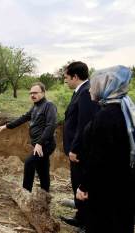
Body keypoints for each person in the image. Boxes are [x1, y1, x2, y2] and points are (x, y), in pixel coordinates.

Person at [76, 66, 135, 233]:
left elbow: (99, 158)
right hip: (124, 185)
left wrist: (84, 185)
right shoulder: (125, 110)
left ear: (106, 86)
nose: (90, 90)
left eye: (94, 85)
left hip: (106, 189)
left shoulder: (106, 116)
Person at [0, 82, 57, 192]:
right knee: (42, 169)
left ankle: (26, 192)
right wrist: (7, 126)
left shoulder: (49, 106)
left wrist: (40, 143)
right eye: (31, 93)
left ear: (43, 93)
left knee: (29, 163)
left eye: (35, 93)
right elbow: (23, 118)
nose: (32, 95)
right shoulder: (35, 107)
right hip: (39, 144)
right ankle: (45, 194)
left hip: (46, 144)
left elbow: (51, 126)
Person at [61, 61, 100, 231]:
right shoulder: (81, 91)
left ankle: (87, 223)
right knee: (77, 182)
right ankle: (80, 217)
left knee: (83, 185)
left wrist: (75, 149)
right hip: (76, 150)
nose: (65, 81)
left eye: (66, 78)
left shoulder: (85, 92)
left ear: (75, 77)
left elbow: (84, 125)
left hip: (80, 152)